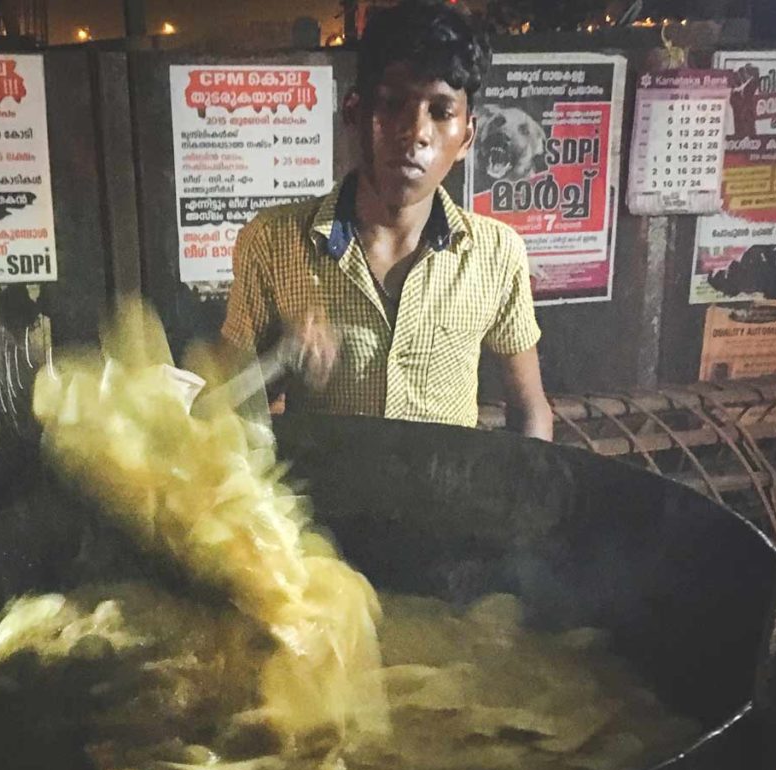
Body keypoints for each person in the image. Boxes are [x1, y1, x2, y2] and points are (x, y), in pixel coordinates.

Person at [220, 0, 553, 440]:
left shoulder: (495, 253)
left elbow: (530, 410)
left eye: (440, 111)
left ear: (468, 136)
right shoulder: (273, 242)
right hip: (317, 506)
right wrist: (280, 360)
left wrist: (524, 504)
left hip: (444, 506)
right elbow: (227, 408)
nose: (415, 132)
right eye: (393, 103)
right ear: (355, 113)